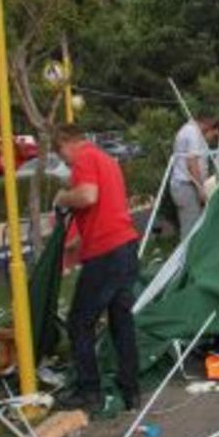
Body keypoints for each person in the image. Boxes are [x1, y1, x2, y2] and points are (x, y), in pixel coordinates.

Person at [53, 123, 140, 412]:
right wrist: (76, 245)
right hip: (125, 246)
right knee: (121, 322)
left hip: (106, 253)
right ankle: (131, 391)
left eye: (59, 151)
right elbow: (105, 208)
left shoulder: (84, 158)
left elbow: (88, 196)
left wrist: (63, 197)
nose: (63, 160)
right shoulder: (107, 160)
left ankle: (89, 392)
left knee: (79, 321)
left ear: (67, 143)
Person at [170, 117, 216, 240]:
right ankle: (187, 258)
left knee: (192, 224)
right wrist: (201, 188)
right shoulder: (192, 133)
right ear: (208, 121)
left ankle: (192, 256)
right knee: (191, 228)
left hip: (184, 186)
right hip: (186, 186)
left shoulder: (187, 130)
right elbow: (192, 163)